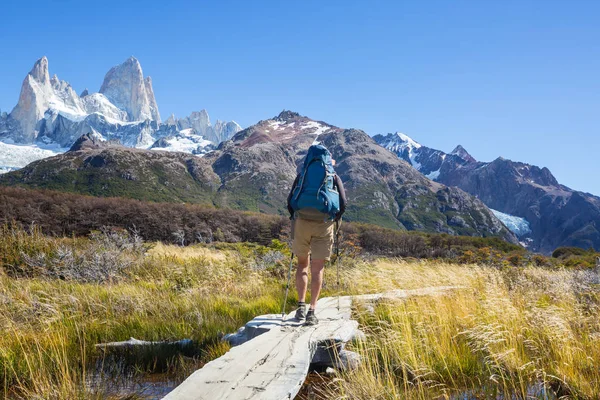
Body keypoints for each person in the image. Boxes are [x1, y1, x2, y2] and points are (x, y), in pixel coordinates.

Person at [287, 145, 347, 325]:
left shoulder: (302, 175)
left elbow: (290, 201)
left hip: (302, 223)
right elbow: (343, 203)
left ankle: (300, 307)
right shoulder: (333, 176)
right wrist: (334, 219)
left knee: (302, 264)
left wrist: (295, 218)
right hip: (324, 224)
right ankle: (312, 311)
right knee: (317, 267)